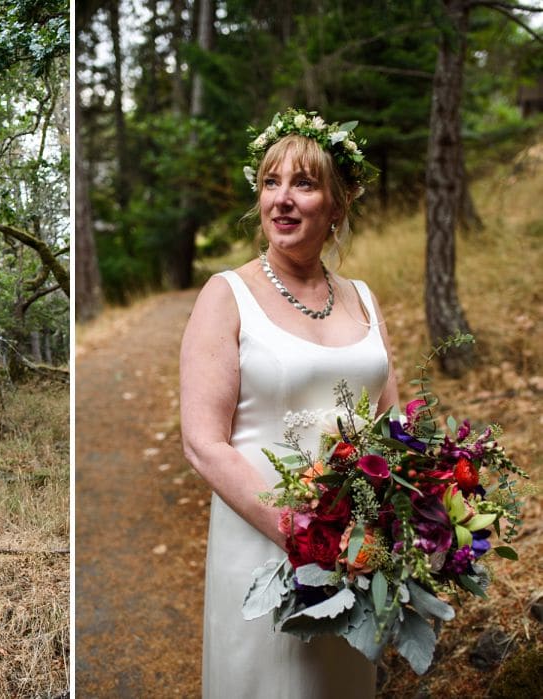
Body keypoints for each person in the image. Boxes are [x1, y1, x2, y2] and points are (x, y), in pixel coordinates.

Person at [180, 109, 399, 698]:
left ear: (337, 204)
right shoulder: (226, 295)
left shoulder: (363, 298)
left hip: (357, 548)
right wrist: (302, 532)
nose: (282, 199)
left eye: (303, 183)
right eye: (270, 183)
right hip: (263, 542)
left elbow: (395, 424)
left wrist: (394, 525)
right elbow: (203, 443)